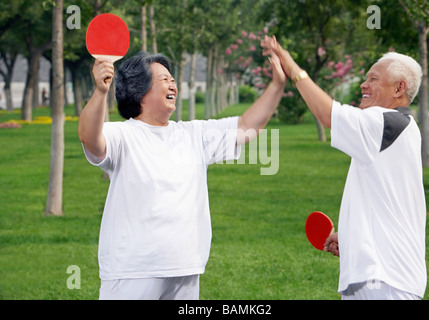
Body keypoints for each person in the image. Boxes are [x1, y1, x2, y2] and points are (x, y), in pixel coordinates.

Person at [78, 50, 286, 300]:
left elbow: (246, 127)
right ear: (139, 90)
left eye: (172, 79)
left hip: (185, 268)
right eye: (164, 79)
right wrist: (101, 92)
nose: (172, 84)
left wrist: (277, 86)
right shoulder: (123, 135)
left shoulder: (193, 134)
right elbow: (90, 138)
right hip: (133, 270)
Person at [262, 36, 427, 300]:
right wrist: (351, 235)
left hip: (384, 280)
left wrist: (293, 69)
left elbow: (329, 115)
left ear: (399, 88)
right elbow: (386, 200)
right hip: (381, 278)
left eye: (373, 79)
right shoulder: (401, 127)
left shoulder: (387, 123)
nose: (363, 84)